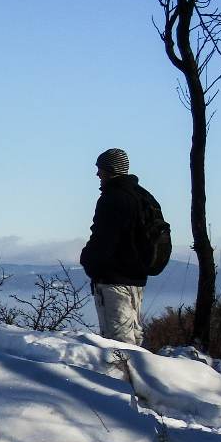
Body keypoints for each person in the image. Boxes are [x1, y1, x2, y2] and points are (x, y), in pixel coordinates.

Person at [80, 148, 160, 345]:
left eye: (101, 169)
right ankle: (139, 374)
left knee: (117, 344)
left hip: (113, 280)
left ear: (110, 169)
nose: (97, 174)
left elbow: (104, 238)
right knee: (134, 338)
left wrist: (89, 261)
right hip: (137, 279)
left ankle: (117, 377)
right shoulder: (143, 196)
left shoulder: (113, 198)